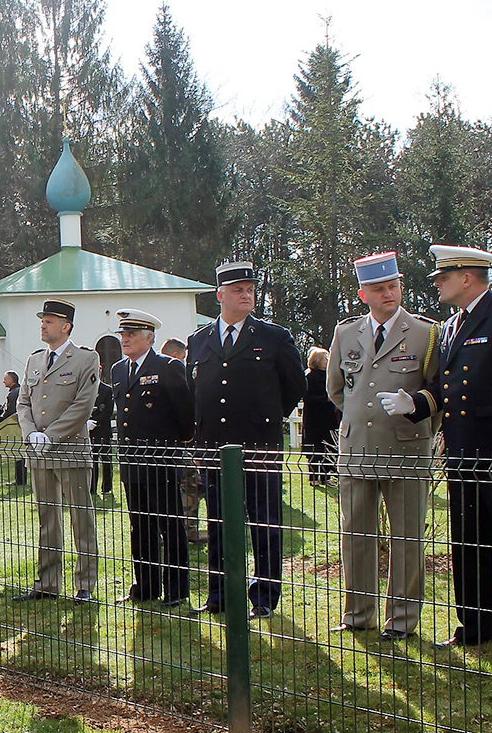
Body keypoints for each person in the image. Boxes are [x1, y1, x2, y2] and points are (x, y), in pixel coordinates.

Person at [379, 245, 492, 665]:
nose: (437, 283)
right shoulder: (453, 324)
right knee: (469, 543)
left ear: (467, 277)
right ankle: (474, 627)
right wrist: (416, 405)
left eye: (443, 276)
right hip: (462, 452)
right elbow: (446, 388)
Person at [329, 251, 439, 641]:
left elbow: (437, 391)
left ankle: (402, 620)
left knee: (407, 536)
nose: (388, 294)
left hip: (406, 448)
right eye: (379, 288)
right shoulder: (346, 333)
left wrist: (415, 414)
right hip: (357, 449)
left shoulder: (426, 333)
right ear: (363, 294)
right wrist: (363, 421)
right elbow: (337, 391)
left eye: (393, 286)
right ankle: (358, 614)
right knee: (356, 534)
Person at [186, 260, 304, 619]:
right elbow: (197, 389)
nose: (246, 295)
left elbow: (295, 386)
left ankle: (264, 596)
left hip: (259, 445)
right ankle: (220, 594)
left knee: (264, 520)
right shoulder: (200, 339)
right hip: (214, 447)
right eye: (238, 290)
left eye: (251, 289)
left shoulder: (273, 336)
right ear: (220, 295)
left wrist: (265, 420)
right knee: (219, 522)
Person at [15, 299, 101, 602]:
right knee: (47, 519)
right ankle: (48, 583)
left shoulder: (85, 359)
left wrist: (50, 435)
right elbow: (23, 403)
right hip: (39, 453)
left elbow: (82, 405)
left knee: (81, 519)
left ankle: (85, 585)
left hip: (71, 451)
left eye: (49, 321)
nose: (43, 324)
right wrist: (31, 434)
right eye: (42, 320)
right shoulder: (34, 360)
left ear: (66, 326)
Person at [111, 308, 195, 606]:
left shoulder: (168, 366)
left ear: (149, 337)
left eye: (131, 334)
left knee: (169, 525)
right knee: (140, 526)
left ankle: (176, 590)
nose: (125, 339)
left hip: (160, 460)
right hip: (131, 462)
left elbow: (186, 415)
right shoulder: (119, 370)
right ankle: (145, 586)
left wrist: (174, 447)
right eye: (123, 334)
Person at [302, 347, 341, 485]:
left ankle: (326, 476)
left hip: (329, 416)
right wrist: (325, 399)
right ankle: (314, 477)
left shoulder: (330, 376)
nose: (328, 361)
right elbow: (307, 397)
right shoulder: (309, 377)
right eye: (325, 359)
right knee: (314, 446)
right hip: (314, 418)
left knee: (329, 445)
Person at [89, 377, 114, 494]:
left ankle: (107, 487)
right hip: (89, 429)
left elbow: (108, 410)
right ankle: (92, 487)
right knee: (92, 460)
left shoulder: (107, 390)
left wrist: (96, 422)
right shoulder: (85, 388)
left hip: (103, 429)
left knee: (106, 460)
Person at [3, 370, 27, 485]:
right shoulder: (20, 391)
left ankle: (20, 479)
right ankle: (21, 478)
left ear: (11, 380)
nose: (3, 381)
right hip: (22, 425)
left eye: (5, 379)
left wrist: (3, 419)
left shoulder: (13, 394)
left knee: (19, 453)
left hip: (16, 426)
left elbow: (11, 412)